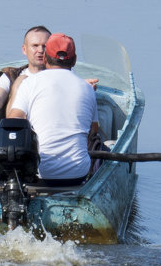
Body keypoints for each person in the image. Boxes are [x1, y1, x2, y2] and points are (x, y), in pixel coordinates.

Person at [8, 33, 99, 185]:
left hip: (39, 172)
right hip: (77, 173)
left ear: (45, 58)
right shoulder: (87, 88)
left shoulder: (30, 83)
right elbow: (93, 131)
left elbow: (13, 122)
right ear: (74, 60)